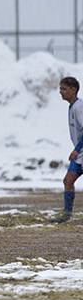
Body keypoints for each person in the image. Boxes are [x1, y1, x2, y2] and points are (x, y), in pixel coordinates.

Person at [51, 76, 83, 223]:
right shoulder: (72, 107)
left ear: (73, 90)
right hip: (80, 153)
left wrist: (76, 149)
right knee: (68, 181)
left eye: (63, 89)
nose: (60, 92)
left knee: (68, 180)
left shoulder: (79, 107)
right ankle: (67, 215)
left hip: (80, 151)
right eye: (60, 88)